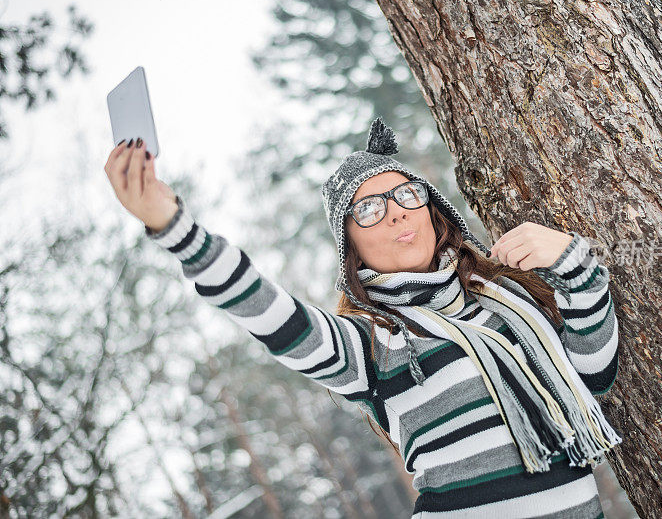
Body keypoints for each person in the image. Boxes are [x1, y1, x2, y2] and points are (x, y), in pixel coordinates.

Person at [104, 118, 621, 518]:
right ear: (353, 251)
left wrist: (575, 265)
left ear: (432, 210)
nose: (395, 211)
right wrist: (177, 230)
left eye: (405, 195)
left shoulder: (507, 301)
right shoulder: (374, 346)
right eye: (368, 209)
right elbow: (271, 313)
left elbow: (593, 381)